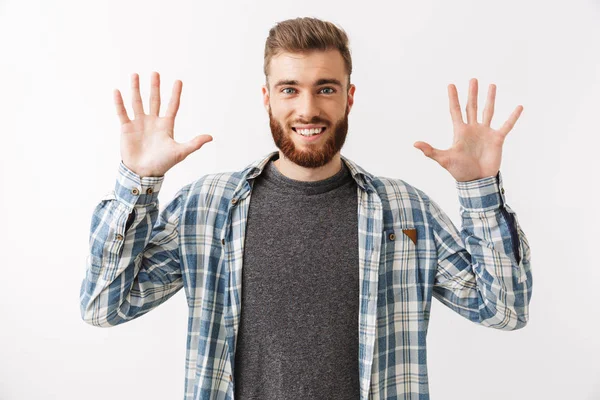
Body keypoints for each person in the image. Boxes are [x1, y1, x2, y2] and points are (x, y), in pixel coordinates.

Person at [79, 17, 532, 400]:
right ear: (267, 98)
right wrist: (138, 185)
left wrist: (479, 189)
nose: (308, 109)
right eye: (290, 89)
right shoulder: (205, 207)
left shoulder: (406, 212)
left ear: (349, 97)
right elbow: (104, 307)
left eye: (326, 89)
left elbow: (504, 310)